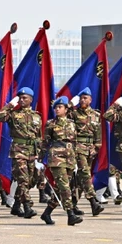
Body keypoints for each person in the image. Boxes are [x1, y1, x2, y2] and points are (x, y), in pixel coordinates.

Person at [0, 87, 42, 219]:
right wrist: (10, 105)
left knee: (30, 180)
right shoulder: (13, 114)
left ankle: (16, 205)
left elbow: (38, 136)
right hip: (18, 151)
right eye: (20, 98)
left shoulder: (36, 116)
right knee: (22, 179)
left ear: (31, 100)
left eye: (24, 98)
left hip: (32, 152)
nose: (22, 100)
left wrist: (39, 153)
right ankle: (27, 206)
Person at [39, 96, 83, 226]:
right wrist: (41, 159)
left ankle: (47, 213)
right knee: (65, 187)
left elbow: (74, 142)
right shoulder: (51, 124)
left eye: (60, 107)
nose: (57, 109)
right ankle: (70, 214)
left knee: (60, 189)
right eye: (56, 107)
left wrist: (75, 160)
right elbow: (45, 142)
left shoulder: (71, 123)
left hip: (69, 158)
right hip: (56, 158)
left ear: (66, 109)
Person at [68, 88, 104, 216]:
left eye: (85, 98)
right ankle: (93, 202)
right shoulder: (74, 114)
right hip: (78, 148)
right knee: (85, 175)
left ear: (90, 99)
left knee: (80, 179)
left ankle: (72, 203)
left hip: (90, 149)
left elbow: (98, 134)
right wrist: (71, 104)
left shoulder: (96, 115)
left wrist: (96, 147)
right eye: (81, 98)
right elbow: (61, 114)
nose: (83, 100)